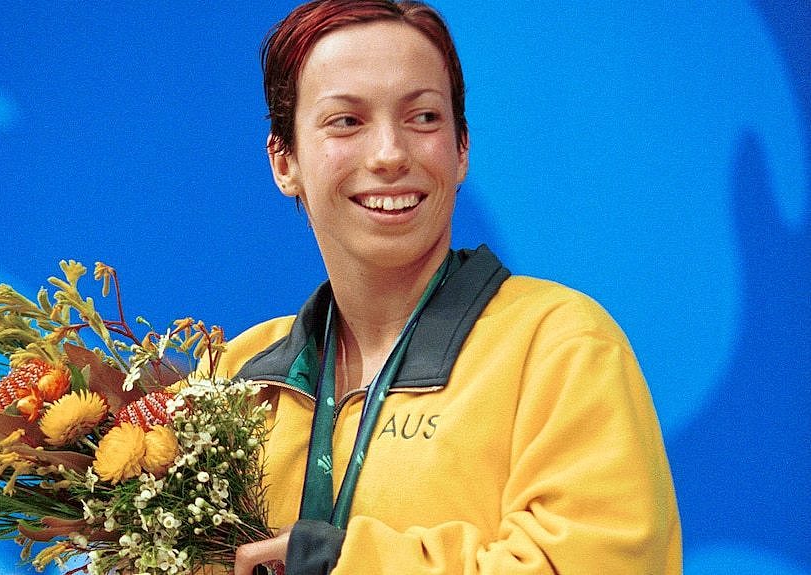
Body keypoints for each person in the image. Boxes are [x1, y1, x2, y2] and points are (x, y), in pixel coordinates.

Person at [223, 1, 682, 573]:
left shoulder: (559, 346)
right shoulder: (238, 378)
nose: (390, 154)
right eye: (347, 121)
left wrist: (345, 565)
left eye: (424, 118)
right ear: (283, 159)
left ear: (462, 148)